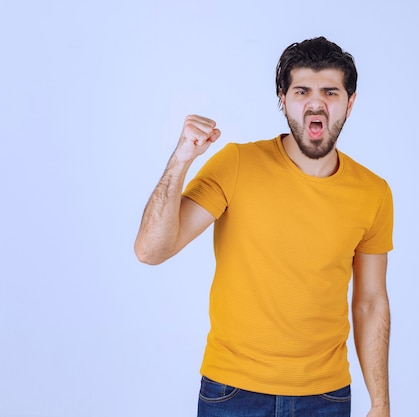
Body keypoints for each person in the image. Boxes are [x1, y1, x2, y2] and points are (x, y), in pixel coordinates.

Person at [134, 36, 393, 417]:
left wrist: (381, 403)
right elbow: (150, 250)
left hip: (327, 398)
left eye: (330, 92)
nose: (316, 103)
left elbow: (371, 301)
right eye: (302, 91)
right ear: (283, 99)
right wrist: (181, 159)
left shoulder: (373, 192)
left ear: (349, 104)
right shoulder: (237, 164)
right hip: (233, 392)